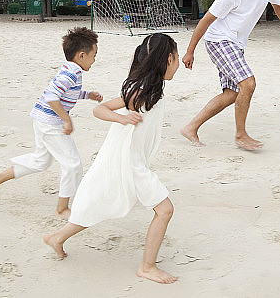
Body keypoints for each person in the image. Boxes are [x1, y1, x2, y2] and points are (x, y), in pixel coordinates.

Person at [43, 33, 180, 285]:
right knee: (165, 210)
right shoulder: (141, 92)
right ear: (169, 58)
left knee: (99, 202)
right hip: (131, 162)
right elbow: (100, 109)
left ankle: (57, 237)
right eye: (177, 57)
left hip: (133, 159)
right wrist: (123, 118)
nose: (179, 63)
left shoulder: (152, 87)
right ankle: (147, 267)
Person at [180, 0, 280, 150]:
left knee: (232, 93)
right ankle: (240, 134)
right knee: (248, 83)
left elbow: (278, 6)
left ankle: (190, 127)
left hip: (236, 44)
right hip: (219, 41)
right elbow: (206, 20)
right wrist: (190, 50)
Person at [0, 27, 103, 219]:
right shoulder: (71, 73)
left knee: (41, 161)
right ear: (82, 55)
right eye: (94, 55)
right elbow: (51, 96)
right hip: (50, 122)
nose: (95, 60)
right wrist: (66, 119)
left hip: (42, 119)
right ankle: (62, 208)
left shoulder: (71, 70)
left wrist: (87, 95)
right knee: (72, 165)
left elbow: (65, 93)